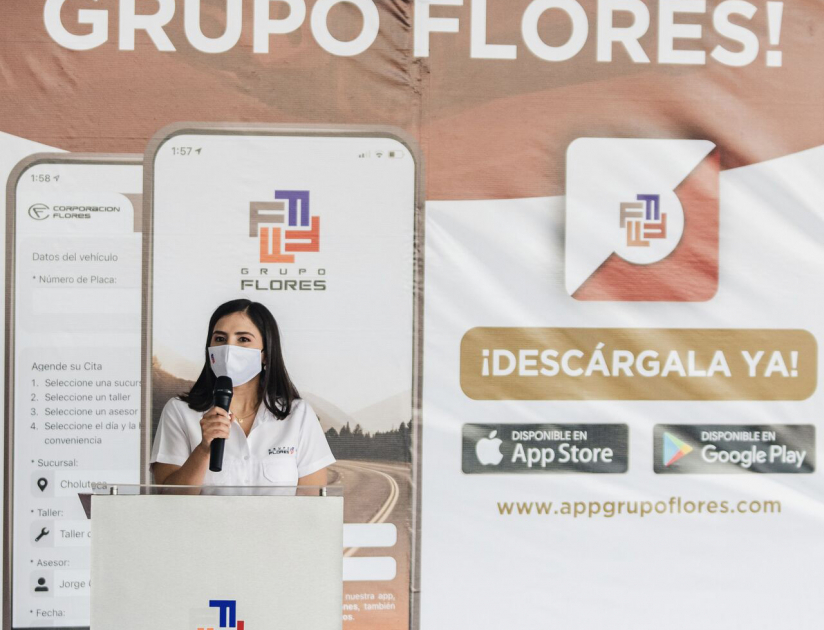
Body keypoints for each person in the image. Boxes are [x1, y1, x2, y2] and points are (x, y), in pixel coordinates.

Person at [150, 299, 335, 487]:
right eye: (220, 339)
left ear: (266, 354)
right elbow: (168, 497)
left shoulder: (298, 414)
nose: (229, 349)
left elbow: (312, 499)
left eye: (243, 339)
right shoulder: (179, 411)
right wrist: (204, 449)